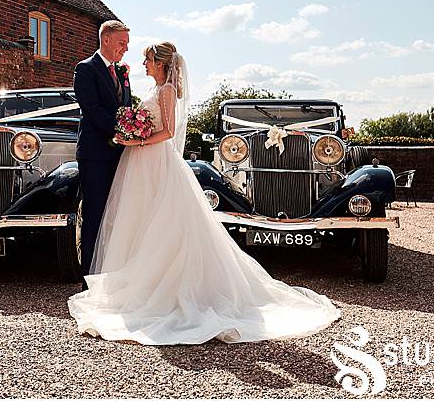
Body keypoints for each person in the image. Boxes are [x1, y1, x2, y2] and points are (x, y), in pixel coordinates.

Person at [68, 41, 341, 345]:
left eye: (147, 60)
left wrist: (138, 141)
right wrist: (132, 132)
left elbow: (168, 132)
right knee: (139, 221)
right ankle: (135, 280)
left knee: (163, 223)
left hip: (154, 159)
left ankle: (165, 289)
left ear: (160, 63)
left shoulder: (168, 91)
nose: (143, 64)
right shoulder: (154, 88)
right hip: (139, 163)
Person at [72, 20, 132, 290]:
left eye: (127, 44)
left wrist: (133, 130)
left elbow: (126, 108)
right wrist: (122, 131)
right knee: (94, 214)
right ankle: (88, 282)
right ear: (105, 40)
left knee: (117, 216)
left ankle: (112, 274)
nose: (125, 49)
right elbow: (92, 109)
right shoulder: (85, 69)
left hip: (121, 154)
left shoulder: (121, 72)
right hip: (95, 155)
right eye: (122, 43)